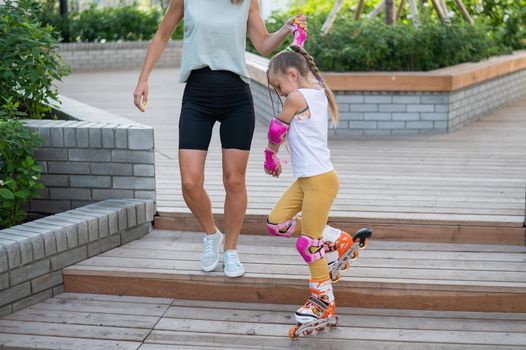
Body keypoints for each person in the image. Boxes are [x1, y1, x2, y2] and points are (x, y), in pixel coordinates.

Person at [133, 0, 306, 278]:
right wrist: (143, 79)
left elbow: (261, 43)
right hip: (197, 95)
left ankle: (231, 249)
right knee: (190, 182)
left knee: (234, 180)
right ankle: (212, 234)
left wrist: (285, 29)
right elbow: (163, 32)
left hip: (236, 96)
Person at [263, 44, 358, 336]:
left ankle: (322, 302)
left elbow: (277, 130)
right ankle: (336, 238)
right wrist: (298, 42)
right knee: (276, 223)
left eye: (278, 85)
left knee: (308, 244)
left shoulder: (296, 96)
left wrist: (270, 154)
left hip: (320, 181)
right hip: (306, 180)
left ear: (292, 75)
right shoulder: (314, 88)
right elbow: (304, 64)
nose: (279, 92)